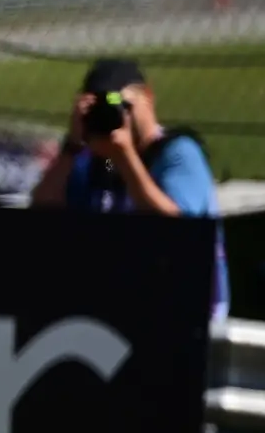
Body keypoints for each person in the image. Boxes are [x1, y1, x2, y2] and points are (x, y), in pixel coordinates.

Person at [30, 57, 222, 314]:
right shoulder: (101, 164)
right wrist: (72, 146)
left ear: (148, 97)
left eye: (121, 104)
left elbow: (178, 229)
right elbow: (40, 215)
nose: (118, 115)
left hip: (187, 315)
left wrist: (124, 155)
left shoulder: (178, 153)